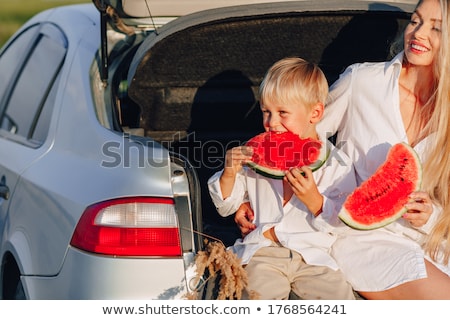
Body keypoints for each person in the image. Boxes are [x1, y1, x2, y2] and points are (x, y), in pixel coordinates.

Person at [236, 0, 450, 299]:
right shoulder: (362, 81)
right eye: (415, 21)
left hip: (433, 238)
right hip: (359, 236)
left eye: (436, 27)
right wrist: (250, 197)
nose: (419, 33)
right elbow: (301, 136)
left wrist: (428, 214)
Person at [208, 57, 356, 299]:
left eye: (282, 113)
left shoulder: (336, 163)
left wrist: (316, 201)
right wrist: (229, 173)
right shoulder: (254, 153)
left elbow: (345, 221)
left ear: (315, 112)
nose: (271, 123)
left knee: (341, 300)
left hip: (315, 256)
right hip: (262, 251)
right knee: (256, 297)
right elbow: (227, 206)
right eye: (266, 111)